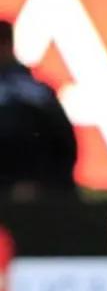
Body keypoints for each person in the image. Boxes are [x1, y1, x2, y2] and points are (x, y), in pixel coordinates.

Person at [0, 19, 77, 201]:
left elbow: (63, 147)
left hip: (35, 194)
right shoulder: (36, 93)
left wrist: (42, 184)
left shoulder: (35, 95)